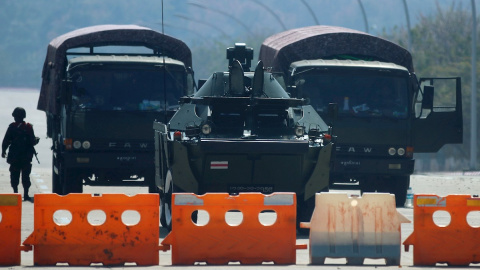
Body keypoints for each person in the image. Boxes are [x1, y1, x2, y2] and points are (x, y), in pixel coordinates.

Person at [1, 107, 39, 201]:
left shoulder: (12, 127)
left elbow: (6, 141)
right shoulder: (28, 127)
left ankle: (15, 193)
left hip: (14, 156)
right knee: (26, 175)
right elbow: (32, 141)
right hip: (26, 157)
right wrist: (36, 140)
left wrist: (3, 151)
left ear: (14, 116)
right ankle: (26, 194)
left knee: (14, 175)